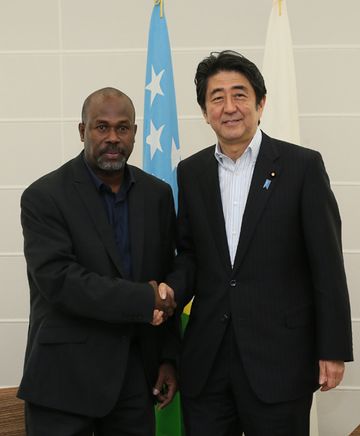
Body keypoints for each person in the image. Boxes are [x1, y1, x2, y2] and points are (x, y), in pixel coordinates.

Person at [163, 51, 353, 435]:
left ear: (260, 103)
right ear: (204, 111)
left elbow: (327, 264)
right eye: (217, 98)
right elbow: (191, 255)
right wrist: (168, 292)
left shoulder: (302, 167)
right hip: (207, 361)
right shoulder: (191, 172)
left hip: (279, 360)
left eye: (240, 95)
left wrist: (332, 349)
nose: (229, 107)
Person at [18, 87, 178, 436]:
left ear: (135, 133)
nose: (112, 138)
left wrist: (168, 358)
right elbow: (60, 281)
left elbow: (166, 272)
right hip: (63, 383)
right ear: (82, 131)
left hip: (135, 382)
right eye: (101, 127)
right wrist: (143, 298)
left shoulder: (157, 196)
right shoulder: (44, 197)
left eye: (122, 128)